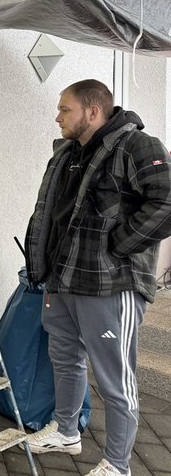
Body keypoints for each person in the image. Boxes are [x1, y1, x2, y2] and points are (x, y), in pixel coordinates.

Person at [23, 79, 171, 476]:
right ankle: (66, 432)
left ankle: (118, 464)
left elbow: (167, 201)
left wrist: (120, 245)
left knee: (114, 378)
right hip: (63, 280)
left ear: (92, 111)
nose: (57, 117)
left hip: (110, 286)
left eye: (64, 109)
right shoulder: (69, 153)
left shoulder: (137, 146)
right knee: (65, 359)